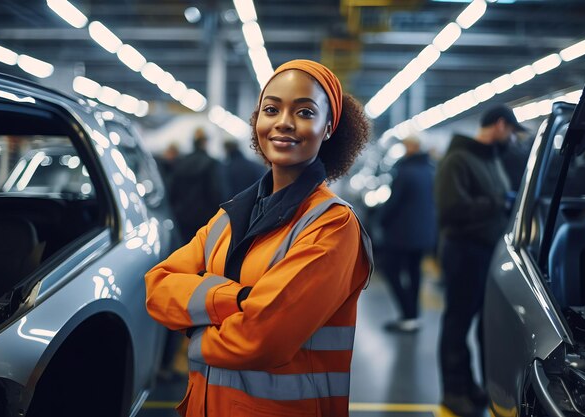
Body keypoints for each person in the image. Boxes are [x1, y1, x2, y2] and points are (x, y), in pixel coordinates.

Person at [145, 59, 373, 417]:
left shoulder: (331, 225)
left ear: (328, 128)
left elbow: (262, 340)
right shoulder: (231, 213)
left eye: (304, 111)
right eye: (271, 109)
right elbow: (158, 286)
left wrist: (194, 333)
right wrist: (237, 299)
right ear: (258, 121)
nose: (283, 121)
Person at [435, 104, 525, 417]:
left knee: (483, 324)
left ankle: (474, 384)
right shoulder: (459, 159)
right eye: (511, 131)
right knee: (457, 323)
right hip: (464, 252)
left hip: (486, 253)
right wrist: (498, 202)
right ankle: (453, 390)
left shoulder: (490, 160)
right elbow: (451, 210)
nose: (512, 139)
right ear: (500, 125)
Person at [379, 136, 436, 332]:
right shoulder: (429, 170)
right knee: (414, 272)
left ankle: (408, 313)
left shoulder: (404, 171)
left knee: (390, 270)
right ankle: (413, 316)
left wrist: (382, 220)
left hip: (402, 233)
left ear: (411, 147)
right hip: (423, 232)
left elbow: (393, 203)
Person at [169, 128, 230, 244]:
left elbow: (172, 192)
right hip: (205, 219)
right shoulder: (211, 163)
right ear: (205, 142)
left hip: (183, 219)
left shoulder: (181, 163)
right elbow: (216, 193)